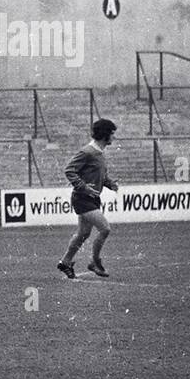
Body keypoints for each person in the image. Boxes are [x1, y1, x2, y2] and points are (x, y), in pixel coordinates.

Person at [58, 118, 119, 280]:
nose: (114, 137)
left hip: (92, 198)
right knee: (105, 228)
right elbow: (69, 170)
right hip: (82, 198)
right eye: (112, 134)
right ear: (105, 134)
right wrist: (84, 187)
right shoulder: (88, 151)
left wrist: (109, 183)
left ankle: (65, 262)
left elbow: (98, 175)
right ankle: (94, 262)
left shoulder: (99, 152)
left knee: (83, 233)